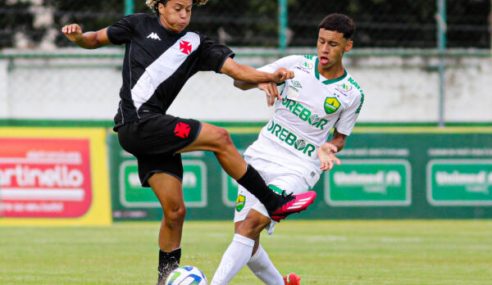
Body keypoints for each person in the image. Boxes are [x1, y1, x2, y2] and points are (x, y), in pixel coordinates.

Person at [61, 0, 317, 283]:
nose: (183, 15)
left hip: (152, 129)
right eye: (177, 8)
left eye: (188, 9)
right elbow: (93, 39)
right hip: (137, 123)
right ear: (159, 6)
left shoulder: (196, 43)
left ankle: (165, 279)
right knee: (219, 137)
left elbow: (237, 70)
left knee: (175, 211)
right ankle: (273, 201)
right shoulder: (137, 25)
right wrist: (77, 37)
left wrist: (268, 76)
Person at [211, 13, 364, 285]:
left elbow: (341, 137)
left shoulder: (352, 94)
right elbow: (239, 81)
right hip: (261, 155)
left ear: (347, 46)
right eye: (321, 42)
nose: (324, 49)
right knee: (246, 237)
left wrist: (330, 146)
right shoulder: (295, 65)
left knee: (250, 226)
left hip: (300, 166)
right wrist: (262, 79)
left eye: (333, 44)